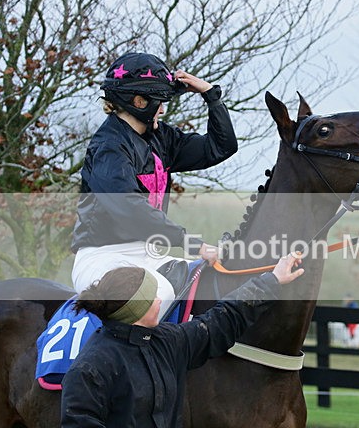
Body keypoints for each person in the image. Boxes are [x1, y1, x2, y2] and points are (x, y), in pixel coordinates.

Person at [60, 253, 304, 428]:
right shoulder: (91, 366)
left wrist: (272, 281)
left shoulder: (165, 341)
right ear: (138, 309)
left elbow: (221, 320)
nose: (161, 297)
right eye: (154, 294)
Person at [71, 51, 239, 318]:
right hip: (103, 259)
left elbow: (221, 146)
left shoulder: (162, 138)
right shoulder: (109, 148)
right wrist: (194, 245)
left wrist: (210, 95)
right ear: (138, 101)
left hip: (150, 255)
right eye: (159, 101)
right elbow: (132, 213)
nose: (162, 108)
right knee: (155, 297)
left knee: (211, 283)